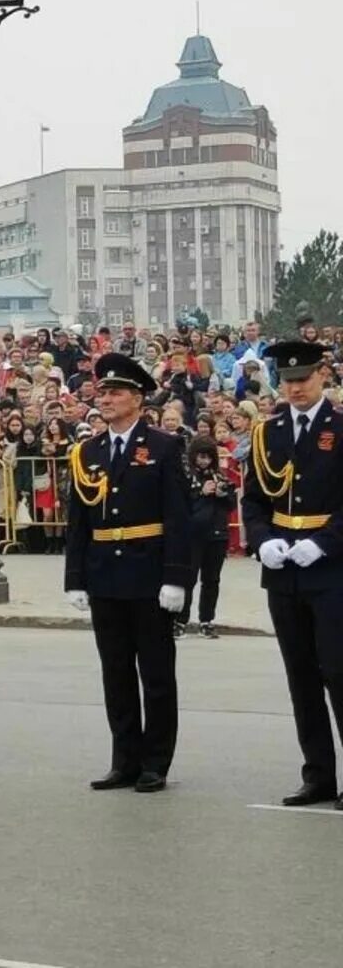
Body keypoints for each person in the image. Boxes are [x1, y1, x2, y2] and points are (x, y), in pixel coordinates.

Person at [64, 352, 191, 794]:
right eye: (103, 392)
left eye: (116, 392)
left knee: (155, 673)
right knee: (115, 672)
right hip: (104, 574)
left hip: (149, 573)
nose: (107, 399)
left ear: (138, 398)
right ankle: (124, 759)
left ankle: (155, 761)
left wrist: (177, 578)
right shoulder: (88, 451)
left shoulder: (163, 446)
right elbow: (78, 520)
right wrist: (75, 578)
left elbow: (179, 517)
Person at [241, 341, 343, 809]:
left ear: (322, 376)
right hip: (284, 569)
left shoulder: (339, 429)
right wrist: (262, 540)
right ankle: (318, 774)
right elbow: (254, 500)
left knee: (338, 673)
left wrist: (322, 542)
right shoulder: (269, 434)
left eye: (303, 379)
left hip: (331, 568)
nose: (296, 388)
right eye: (288, 381)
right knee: (300, 676)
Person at [182, 437, 235, 640]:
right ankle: (180, 620)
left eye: (208, 457)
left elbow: (231, 504)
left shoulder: (219, 476)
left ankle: (207, 620)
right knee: (188, 579)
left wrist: (223, 494)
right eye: (200, 457)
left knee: (211, 580)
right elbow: (180, 504)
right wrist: (199, 492)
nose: (204, 461)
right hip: (193, 535)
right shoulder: (187, 478)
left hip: (216, 535)